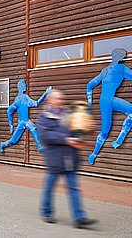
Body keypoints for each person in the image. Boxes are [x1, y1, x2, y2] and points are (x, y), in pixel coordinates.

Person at [37, 89, 97, 229]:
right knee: (49, 188)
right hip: (55, 160)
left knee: (74, 188)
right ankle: (46, 212)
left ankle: (79, 218)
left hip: (70, 158)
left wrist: (89, 128)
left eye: (61, 99)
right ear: (50, 101)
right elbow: (45, 136)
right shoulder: (44, 117)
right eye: (57, 99)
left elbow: (78, 129)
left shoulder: (69, 114)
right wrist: (65, 139)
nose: (60, 101)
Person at [86, 48, 132, 165]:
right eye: (123, 56)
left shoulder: (105, 70)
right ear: (121, 57)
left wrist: (90, 102)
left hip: (104, 101)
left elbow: (89, 85)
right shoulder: (121, 69)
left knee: (104, 131)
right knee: (105, 130)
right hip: (110, 100)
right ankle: (119, 138)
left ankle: (94, 154)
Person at [0, 79, 52, 153]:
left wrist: (45, 93)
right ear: (21, 87)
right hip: (22, 122)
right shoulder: (18, 100)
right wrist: (11, 125)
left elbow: (37, 103)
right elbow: (9, 111)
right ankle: (3, 144)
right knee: (13, 140)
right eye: (24, 85)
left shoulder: (25, 97)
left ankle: (40, 146)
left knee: (34, 129)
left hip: (27, 121)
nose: (25, 86)